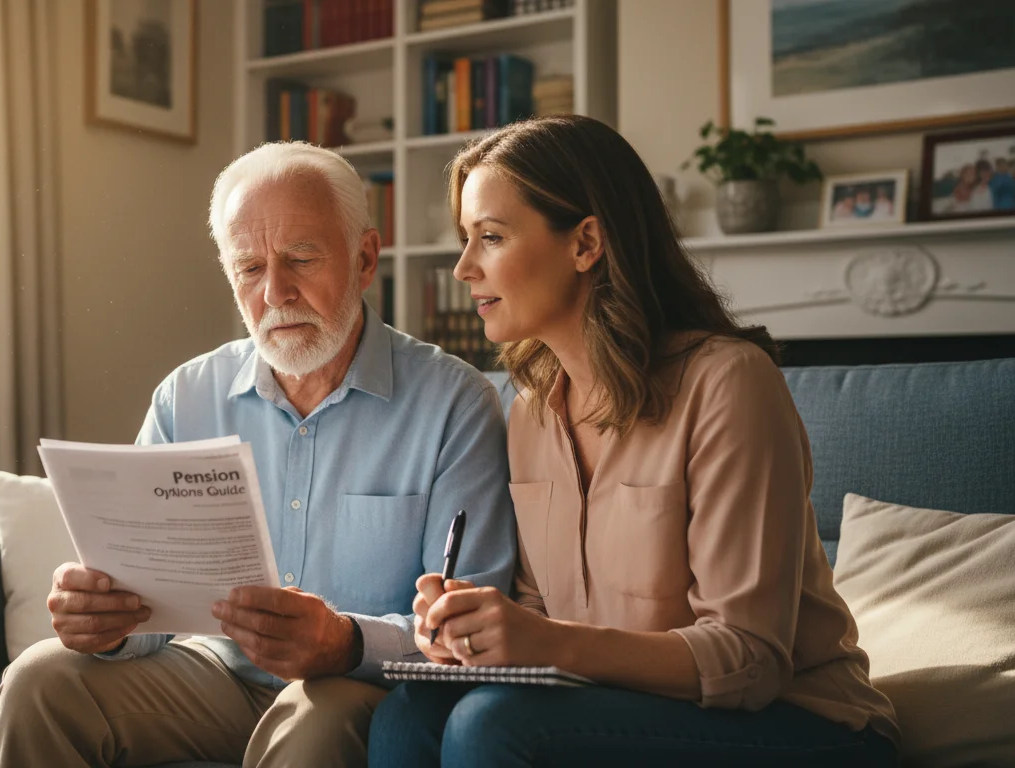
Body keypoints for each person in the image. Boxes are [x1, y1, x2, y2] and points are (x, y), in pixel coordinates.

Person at [368, 116, 899, 767]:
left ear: (586, 241)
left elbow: (751, 660)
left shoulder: (728, 382)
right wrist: (475, 636)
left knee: (493, 727)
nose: (463, 267)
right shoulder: (531, 414)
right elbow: (540, 612)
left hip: (809, 727)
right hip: (624, 705)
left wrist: (546, 642)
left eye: (492, 237)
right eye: (465, 240)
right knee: (406, 716)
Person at [0, 142, 518, 768]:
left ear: (365, 258)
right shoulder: (186, 398)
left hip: (352, 687)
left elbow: (472, 627)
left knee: (314, 724)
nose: (275, 292)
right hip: (211, 674)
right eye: (249, 268)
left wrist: (347, 642)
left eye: (300, 258)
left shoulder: (455, 403)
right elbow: (147, 607)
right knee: (41, 681)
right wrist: (105, 622)